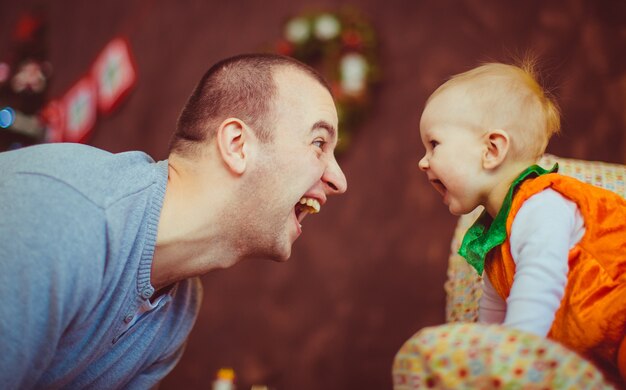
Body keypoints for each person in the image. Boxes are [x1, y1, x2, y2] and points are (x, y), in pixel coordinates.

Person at [0, 53, 347, 389]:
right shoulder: (66, 213)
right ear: (238, 144)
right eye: (318, 143)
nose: (338, 181)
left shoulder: (179, 312)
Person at [417, 60, 626, 385]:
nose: (423, 161)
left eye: (434, 144)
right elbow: (493, 330)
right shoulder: (494, 245)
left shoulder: (541, 205)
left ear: (492, 149)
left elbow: (537, 296)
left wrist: (508, 367)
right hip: (598, 361)